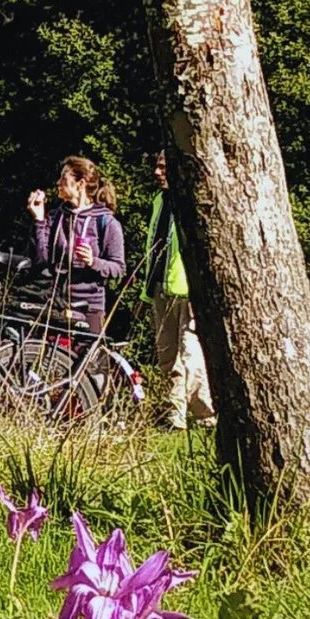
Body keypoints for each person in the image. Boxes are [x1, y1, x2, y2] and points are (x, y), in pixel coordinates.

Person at [140, 151, 214, 429]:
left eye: (163, 167)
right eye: (156, 167)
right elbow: (154, 246)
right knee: (167, 356)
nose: (157, 173)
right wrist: (146, 293)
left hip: (188, 291)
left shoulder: (192, 201)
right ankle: (174, 416)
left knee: (191, 354)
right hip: (161, 288)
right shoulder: (160, 201)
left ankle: (205, 415)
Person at [27, 156, 126, 333]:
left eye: (63, 179)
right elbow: (41, 260)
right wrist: (39, 219)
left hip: (89, 307)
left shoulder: (106, 222)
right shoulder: (56, 217)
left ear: (80, 184)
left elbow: (119, 268)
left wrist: (93, 261)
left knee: (89, 360)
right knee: (52, 358)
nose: (58, 183)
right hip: (56, 303)